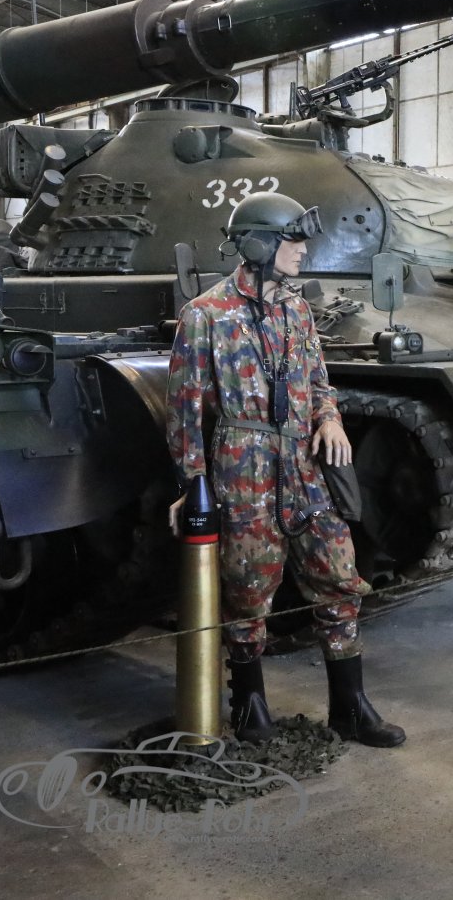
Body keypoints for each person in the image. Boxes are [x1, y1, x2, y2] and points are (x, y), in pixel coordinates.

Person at [166, 192, 405, 748]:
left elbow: (319, 381)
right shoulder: (205, 315)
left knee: (339, 578)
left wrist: (330, 419)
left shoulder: (297, 310)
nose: (302, 250)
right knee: (247, 591)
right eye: (292, 240)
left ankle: (350, 707)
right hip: (242, 468)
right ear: (258, 244)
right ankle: (250, 705)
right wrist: (192, 485)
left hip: (304, 466)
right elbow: (184, 411)